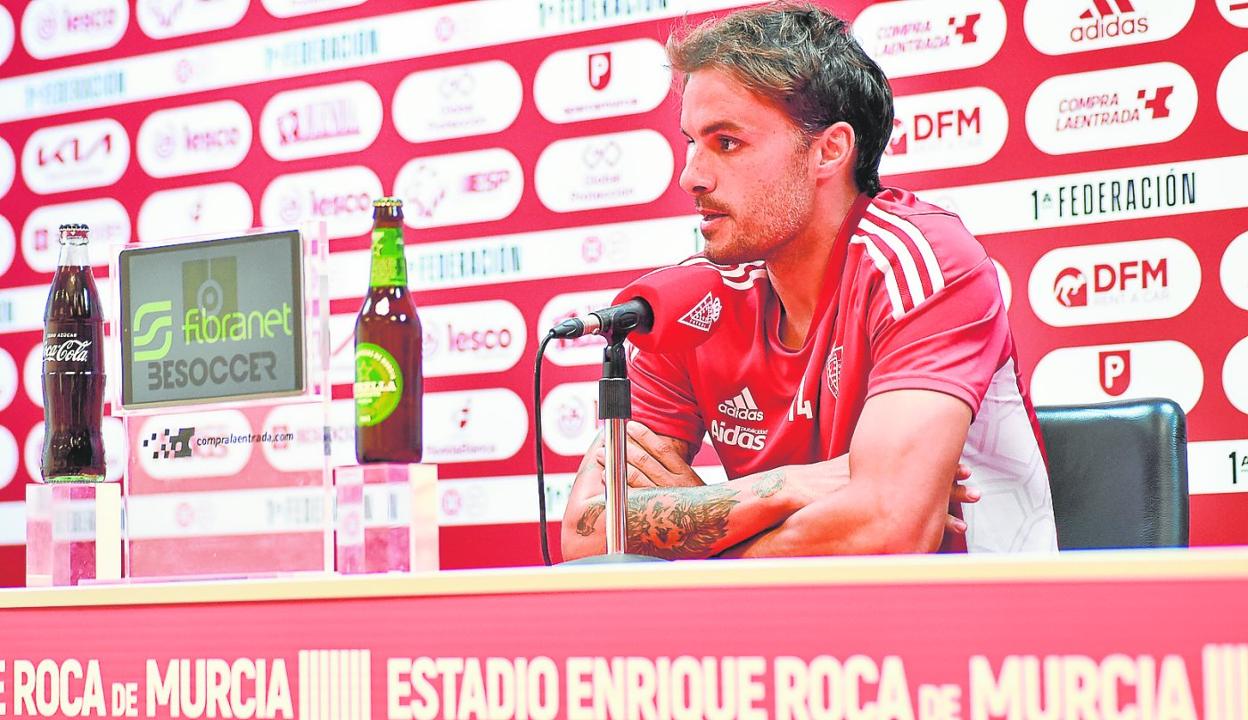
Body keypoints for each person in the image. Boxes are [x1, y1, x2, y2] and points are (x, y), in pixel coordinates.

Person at [561, 1, 1058, 561]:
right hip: (777, 640)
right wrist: (796, 485)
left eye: (727, 143)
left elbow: (889, 531)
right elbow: (588, 535)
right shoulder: (689, 302)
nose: (692, 176)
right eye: (691, 142)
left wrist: (701, 536)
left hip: (963, 630)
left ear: (829, 150)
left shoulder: (923, 260)